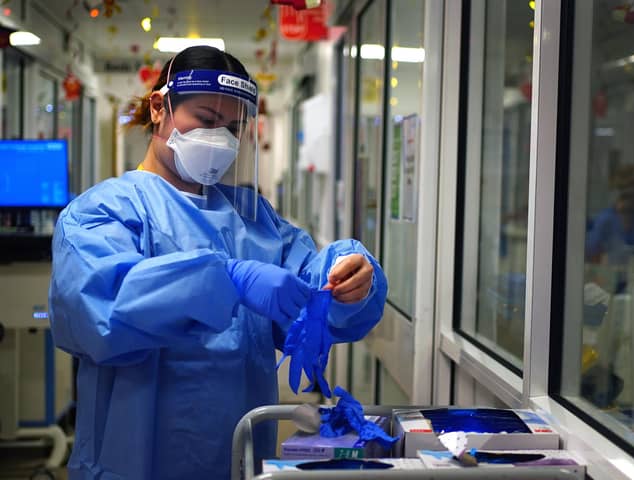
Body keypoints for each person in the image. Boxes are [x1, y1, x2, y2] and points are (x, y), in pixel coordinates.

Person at [48, 45, 388, 480]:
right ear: (159, 108)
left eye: (231, 127)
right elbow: (100, 309)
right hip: (134, 459)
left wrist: (351, 273)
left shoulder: (252, 219)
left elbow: (310, 290)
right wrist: (224, 279)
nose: (220, 139)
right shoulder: (103, 212)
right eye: (206, 121)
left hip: (237, 456)